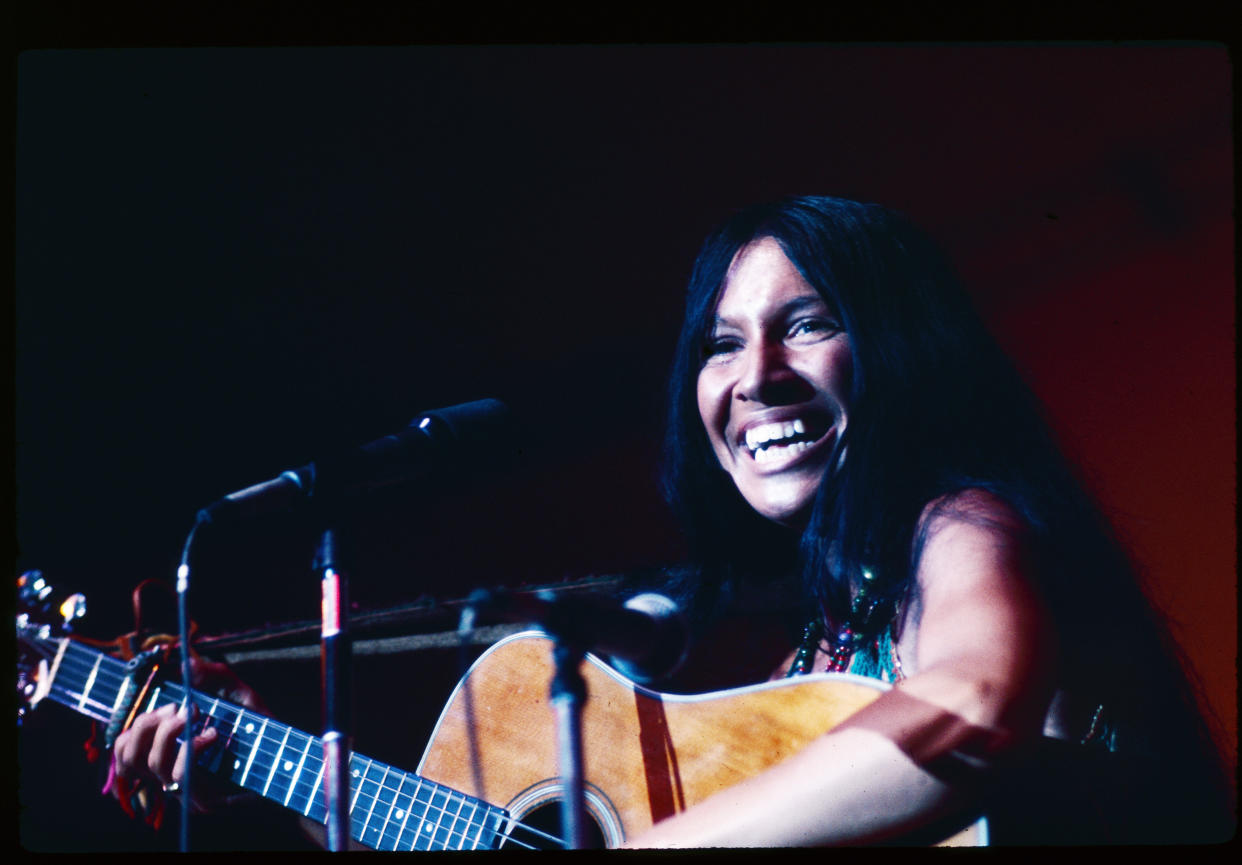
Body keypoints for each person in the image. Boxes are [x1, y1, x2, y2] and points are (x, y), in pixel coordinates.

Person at [108, 195, 1234, 846]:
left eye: (808, 326)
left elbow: (972, 704)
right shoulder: (806, 631)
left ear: (900, 351)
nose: (758, 377)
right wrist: (256, 751)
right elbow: (471, 830)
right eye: (721, 342)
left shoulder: (967, 518)